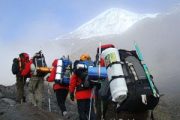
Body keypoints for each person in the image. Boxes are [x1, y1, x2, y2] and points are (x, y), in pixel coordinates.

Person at [69, 53, 96, 120]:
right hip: (90, 95)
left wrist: (71, 93)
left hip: (80, 95)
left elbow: (72, 82)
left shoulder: (78, 69)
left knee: (82, 113)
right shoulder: (92, 69)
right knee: (91, 112)